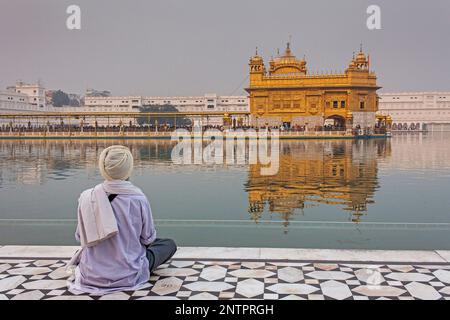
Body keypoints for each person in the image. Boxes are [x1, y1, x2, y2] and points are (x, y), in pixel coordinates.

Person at [68, 145, 177, 295]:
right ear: (128, 168)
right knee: (168, 244)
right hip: (128, 274)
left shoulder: (88, 197)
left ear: (103, 168)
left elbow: (80, 237)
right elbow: (148, 238)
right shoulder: (138, 198)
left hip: (92, 274)